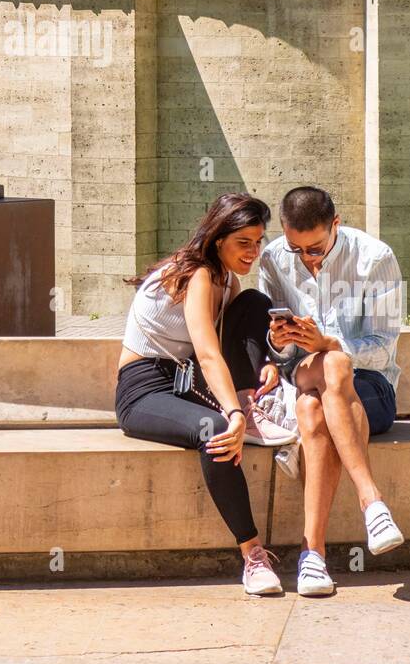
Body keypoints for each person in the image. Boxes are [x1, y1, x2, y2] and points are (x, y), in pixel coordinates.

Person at [114, 193, 297, 597]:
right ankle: (252, 556)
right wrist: (233, 413)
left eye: (258, 241)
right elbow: (209, 350)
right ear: (219, 240)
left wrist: (268, 359)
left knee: (255, 302)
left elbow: (236, 339)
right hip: (145, 389)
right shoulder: (196, 274)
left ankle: (252, 404)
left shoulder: (227, 280)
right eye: (243, 243)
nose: (253, 252)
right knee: (213, 429)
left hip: (188, 381)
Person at [258, 186, 405, 597]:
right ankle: (371, 502)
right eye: (297, 249)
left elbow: (383, 347)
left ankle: (313, 555)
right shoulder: (273, 259)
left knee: (318, 401)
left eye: (316, 248)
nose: (307, 258)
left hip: (371, 388)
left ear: (336, 225)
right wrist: (279, 339)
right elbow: (278, 352)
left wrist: (329, 345)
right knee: (325, 372)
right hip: (301, 373)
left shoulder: (375, 258)